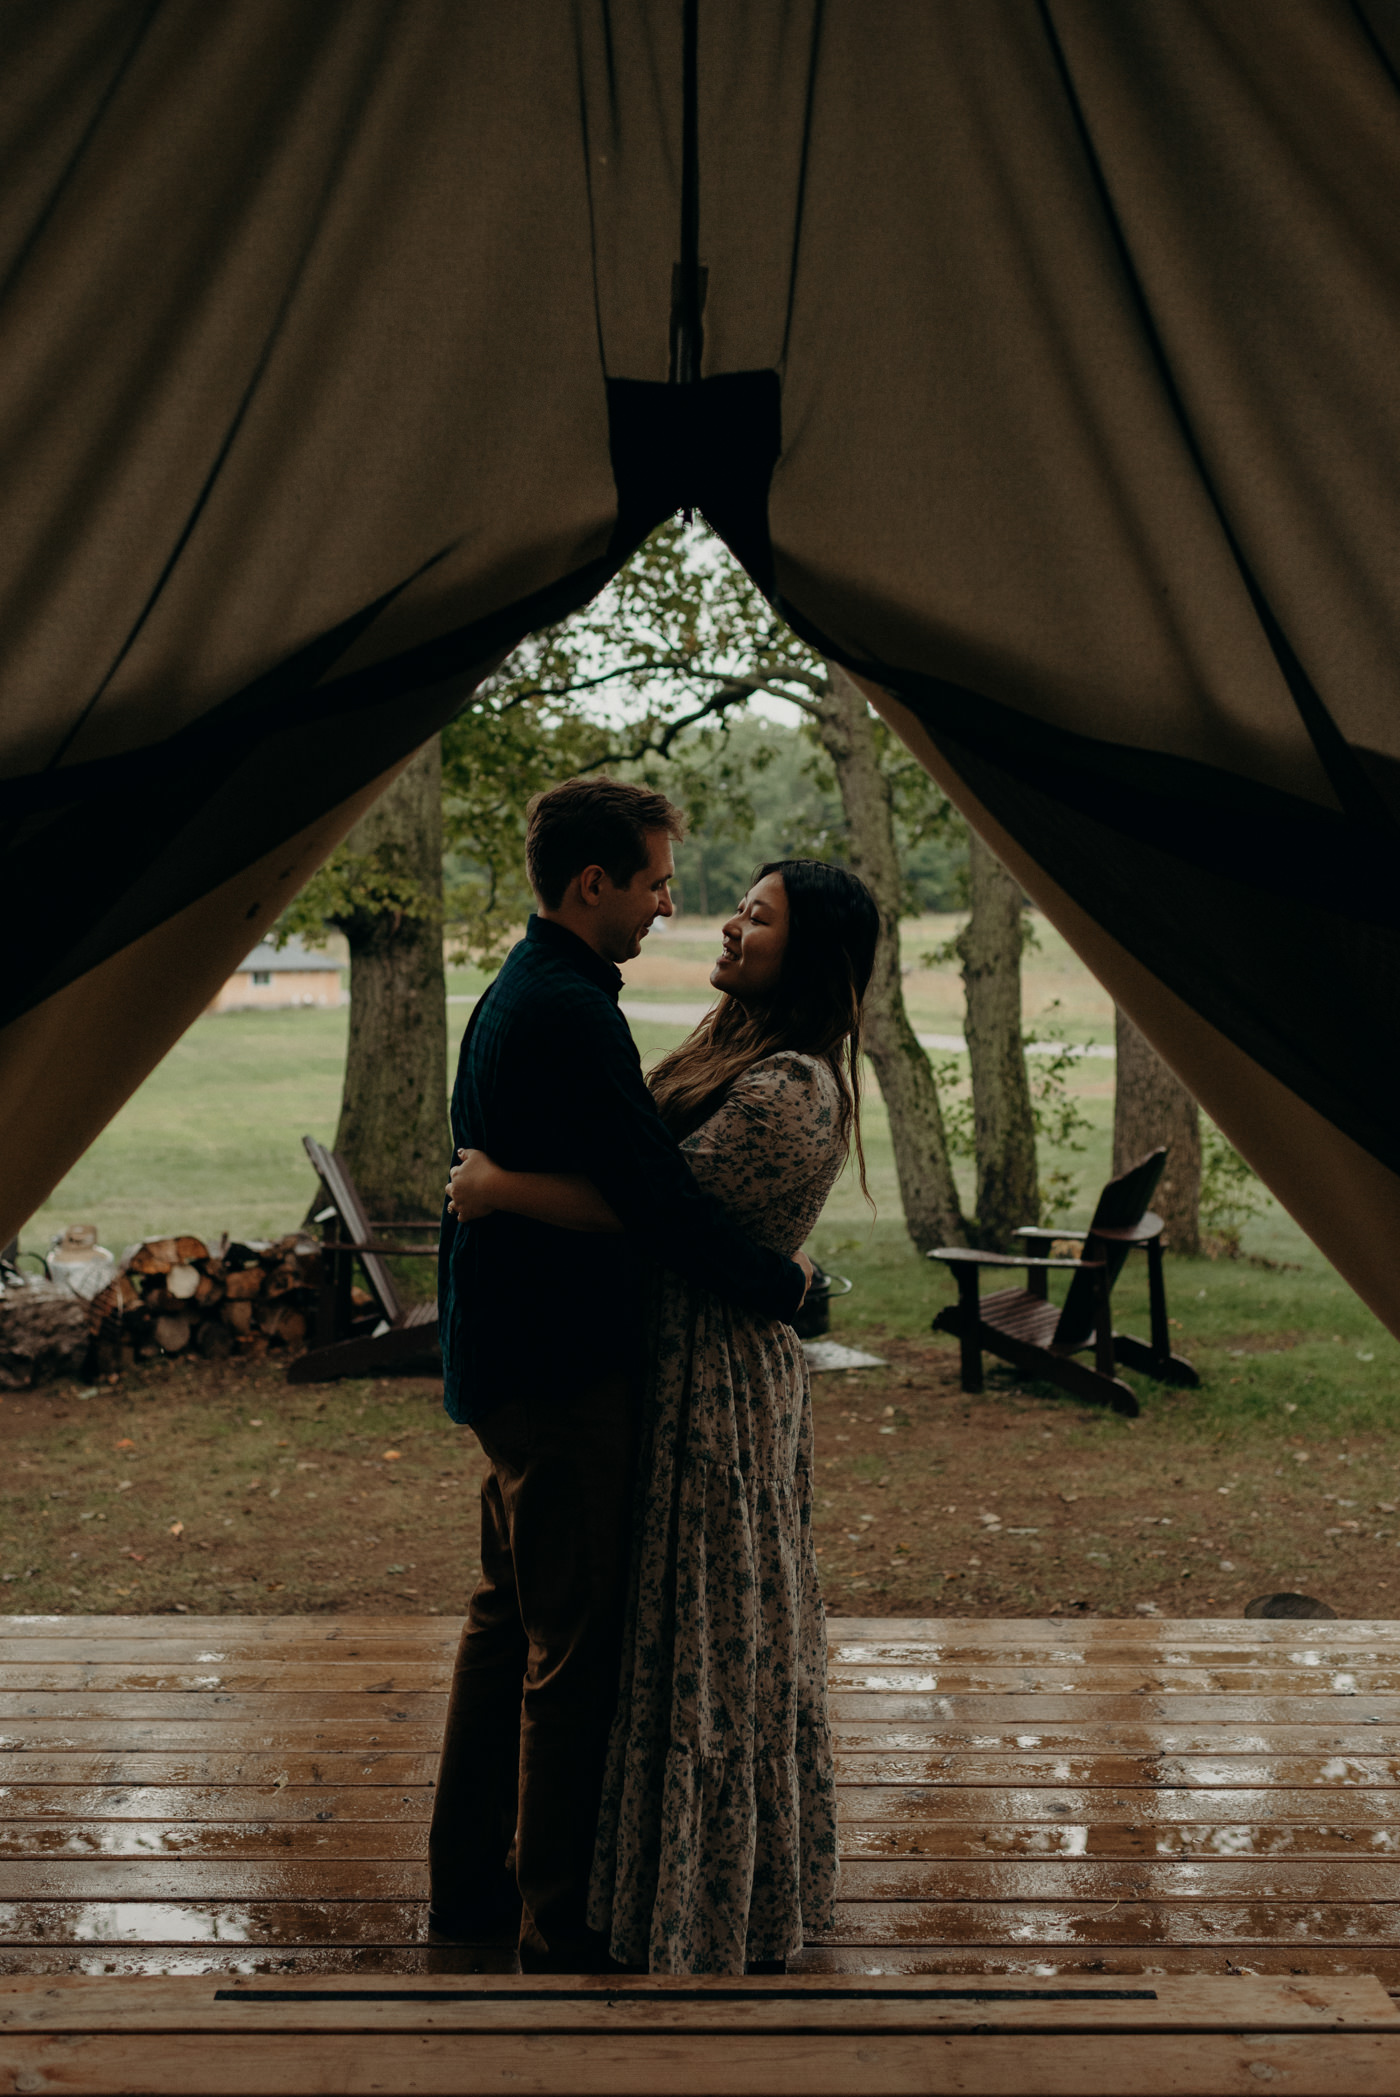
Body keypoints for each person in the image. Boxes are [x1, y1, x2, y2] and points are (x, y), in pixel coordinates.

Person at [448, 858, 879, 1973]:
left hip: (711, 1392)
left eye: (759, 915)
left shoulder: (790, 1086)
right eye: (739, 903)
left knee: (672, 1640)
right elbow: (652, 1189)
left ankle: (623, 1895)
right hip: (639, 1363)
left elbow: (656, 1213)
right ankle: (539, 1888)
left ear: (810, 952)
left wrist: (498, 1189)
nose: (728, 923)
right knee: (572, 1628)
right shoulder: (717, 1042)